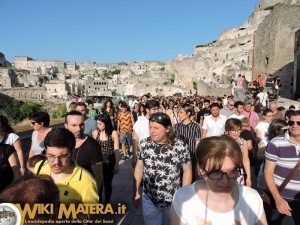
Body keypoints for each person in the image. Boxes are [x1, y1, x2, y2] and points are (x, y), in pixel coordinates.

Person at [170, 135, 267, 225]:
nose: (225, 181)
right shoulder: (184, 199)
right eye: (216, 172)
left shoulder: (251, 198)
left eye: (232, 171)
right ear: (201, 169)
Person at [133, 113, 192, 225]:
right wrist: (135, 191)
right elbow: (139, 167)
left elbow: (187, 170)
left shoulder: (179, 145)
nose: (152, 131)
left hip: (173, 200)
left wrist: (184, 196)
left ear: (167, 128)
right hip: (149, 199)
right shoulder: (144, 144)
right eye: (150, 127)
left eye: (156, 128)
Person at [34, 128, 99, 204]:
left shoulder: (86, 182)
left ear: (72, 153)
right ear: (45, 150)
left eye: (63, 156)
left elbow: (92, 214)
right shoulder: (39, 167)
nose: (56, 162)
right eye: (51, 155)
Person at [264, 110, 300, 224]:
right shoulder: (275, 143)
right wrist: (277, 198)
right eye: (291, 123)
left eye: (299, 123)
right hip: (282, 197)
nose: (295, 126)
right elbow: (268, 171)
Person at [64, 110, 103, 198]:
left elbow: (98, 176)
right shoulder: (62, 142)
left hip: (84, 194)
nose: (78, 129)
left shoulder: (92, 146)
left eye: (81, 125)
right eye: (74, 125)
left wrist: (95, 195)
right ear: (66, 126)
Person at [93, 114, 120, 203]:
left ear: (106, 123)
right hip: (98, 162)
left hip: (109, 161)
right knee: (98, 184)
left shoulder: (113, 133)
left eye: (100, 124)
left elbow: (116, 149)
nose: (98, 126)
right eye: (97, 124)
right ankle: (99, 202)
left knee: (107, 184)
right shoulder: (95, 133)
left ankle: (107, 202)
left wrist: (117, 164)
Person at [132, 100, 159, 168]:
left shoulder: (160, 121)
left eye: (157, 109)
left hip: (157, 155)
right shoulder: (140, 122)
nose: (157, 111)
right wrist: (134, 156)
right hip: (143, 155)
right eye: (154, 109)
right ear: (147, 110)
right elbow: (135, 138)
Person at [225, 118, 252, 187]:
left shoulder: (243, 142)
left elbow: (245, 160)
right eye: (233, 130)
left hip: (238, 173)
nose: (236, 133)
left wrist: (248, 177)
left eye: (238, 130)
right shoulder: (222, 141)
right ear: (228, 130)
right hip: (224, 173)